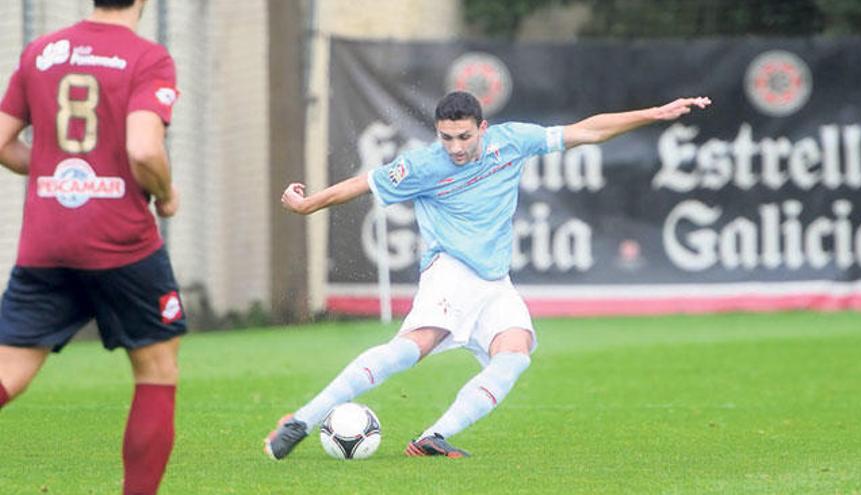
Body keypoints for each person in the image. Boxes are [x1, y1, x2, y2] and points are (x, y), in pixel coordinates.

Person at [266, 91, 711, 459]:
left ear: (482, 128)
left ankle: (432, 438)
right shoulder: (423, 165)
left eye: (463, 137)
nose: (456, 148)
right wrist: (308, 205)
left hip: (495, 281)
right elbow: (361, 183)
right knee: (411, 350)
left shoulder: (512, 141)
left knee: (516, 353)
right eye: (446, 138)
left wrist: (654, 114)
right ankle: (304, 419)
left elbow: (588, 131)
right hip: (450, 270)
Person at [0, 1, 185, 493]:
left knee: (8, 373)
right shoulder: (148, 58)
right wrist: (165, 195)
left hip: (46, 241)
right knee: (157, 367)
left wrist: (48, 172)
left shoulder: (41, 52)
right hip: (122, 242)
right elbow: (144, 148)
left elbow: (1, 141)